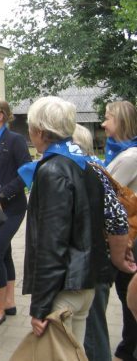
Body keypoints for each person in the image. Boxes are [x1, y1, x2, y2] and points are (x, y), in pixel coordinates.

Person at [20, 97, 110, 350]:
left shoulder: (53, 171)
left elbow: (52, 242)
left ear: (39, 131)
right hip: (85, 283)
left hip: (64, 289)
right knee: (75, 352)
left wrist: (40, 305)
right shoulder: (85, 164)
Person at [74, 124, 133, 360]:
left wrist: (118, 256)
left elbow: (117, 219)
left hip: (95, 259)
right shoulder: (92, 167)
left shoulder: (88, 171)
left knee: (92, 326)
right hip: (97, 258)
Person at [0, 97, 31, 327]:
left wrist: (2, 193)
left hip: (12, 208)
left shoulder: (15, 140)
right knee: (4, 252)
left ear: (1, 116)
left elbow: (26, 174)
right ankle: (9, 302)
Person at [102, 100, 137, 361]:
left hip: (129, 235)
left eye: (107, 118)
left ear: (120, 121)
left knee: (127, 293)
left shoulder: (130, 156)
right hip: (124, 230)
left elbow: (108, 189)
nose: (103, 123)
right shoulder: (118, 152)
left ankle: (129, 348)